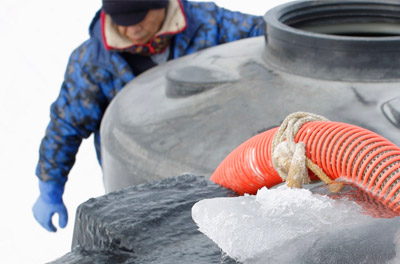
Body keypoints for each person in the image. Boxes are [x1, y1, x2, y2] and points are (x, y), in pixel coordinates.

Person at [33, 0, 265, 232]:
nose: (132, 29)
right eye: (122, 22)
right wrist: (50, 185)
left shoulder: (208, 24)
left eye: (139, 17)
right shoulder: (93, 62)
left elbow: (268, 35)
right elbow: (66, 126)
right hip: (137, 186)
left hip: (213, 169)